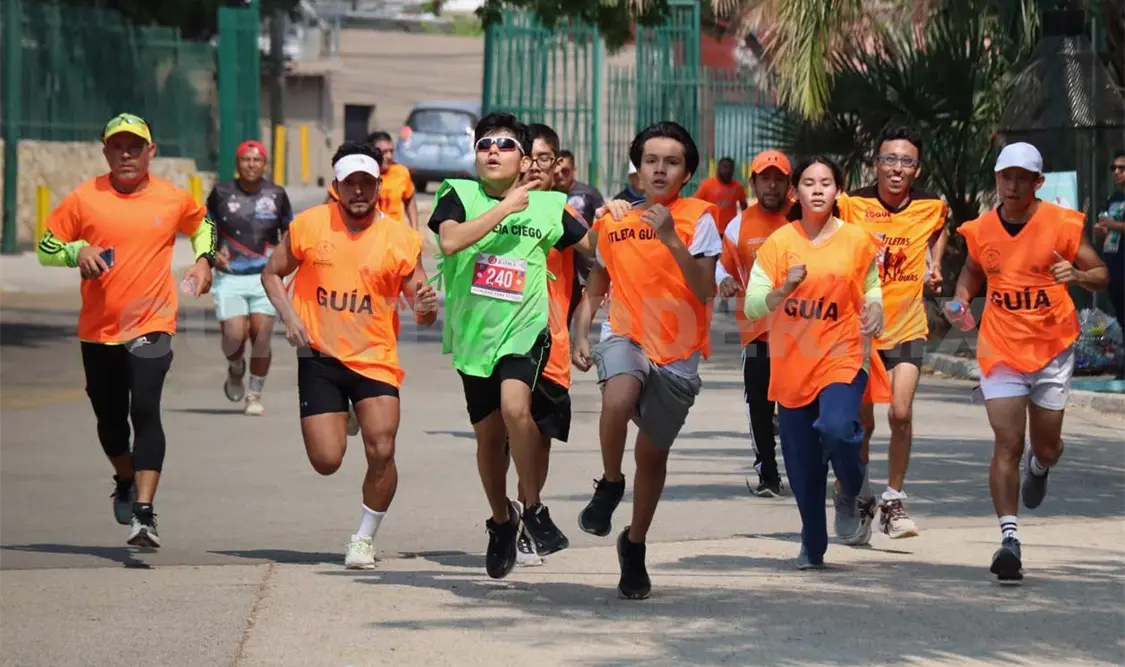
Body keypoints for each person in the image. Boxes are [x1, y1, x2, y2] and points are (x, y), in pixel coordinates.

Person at [36, 113, 217, 548]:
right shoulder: (84, 199)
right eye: (118, 145)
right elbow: (45, 246)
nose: (127, 153)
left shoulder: (172, 198)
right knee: (111, 424)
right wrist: (75, 252)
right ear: (105, 151)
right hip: (98, 332)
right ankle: (124, 477)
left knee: (147, 408)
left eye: (136, 146)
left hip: (152, 323)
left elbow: (203, 224)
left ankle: (144, 513)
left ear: (151, 152)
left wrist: (204, 259)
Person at [428, 112, 593, 580]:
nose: (493, 151)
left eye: (504, 144)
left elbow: (597, 246)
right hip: (473, 337)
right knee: (487, 439)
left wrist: (623, 218)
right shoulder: (457, 196)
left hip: (525, 330)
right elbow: (451, 242)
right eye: (485, 144)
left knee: (516, 408)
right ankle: (502, 521)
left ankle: (533, 507)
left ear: (524, 160)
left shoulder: (550, 208)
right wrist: (505, 208)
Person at [261, 142, 437, 570]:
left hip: (374, 356)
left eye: (367, 182)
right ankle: (346, 413)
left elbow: (423, 313)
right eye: (350, 183)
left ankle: (363, 537)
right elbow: (271, 273)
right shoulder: (308, 226)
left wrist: (428, 308)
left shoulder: (401, 239)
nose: (359, 191)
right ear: (337, 185)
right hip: (319, 355)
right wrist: (289, 317)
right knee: (326, 461)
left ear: (379, 185)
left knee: (382, 448)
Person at [571, 121, 721, 600]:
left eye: (671, 162)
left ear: (687, 172)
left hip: (678, 353)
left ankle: (633, 545)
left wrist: (672, 237)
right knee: (618, 397)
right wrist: (580, 327)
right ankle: (610, 483)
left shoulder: (700, 218)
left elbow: (704, 290)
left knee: (653, 455)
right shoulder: (613, 218)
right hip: (627, 333)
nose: (660, 169)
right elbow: (597, 281)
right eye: (651, 160)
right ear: (638, 169)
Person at [946, 142, 1107, 582]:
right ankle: (1009, 540)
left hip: (1053, 347)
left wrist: (1076, 275)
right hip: (1000, 348)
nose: (1012, 185)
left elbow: (1100, 274)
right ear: (996, 178)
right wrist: (961, 299)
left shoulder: (1062, 225)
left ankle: (1041, 464)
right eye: (1005, 176)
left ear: (1038, 183)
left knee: (1047, 445)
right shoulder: (981, 228)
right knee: (1006, 444)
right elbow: (974, 270)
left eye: (1022, 178)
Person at [743, 155, 890, 570]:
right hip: (791, 363)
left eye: (827, 182)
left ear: (839, 190)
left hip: (844, 352)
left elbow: (871, 285)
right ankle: (812, 540)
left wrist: (875, 309)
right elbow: (754, 305)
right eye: (809, 182)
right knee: (803, 466)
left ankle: (849, 484)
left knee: (839, 429)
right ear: (796, 192)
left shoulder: (858, 240)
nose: (819, 189)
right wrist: (783, 289)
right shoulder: (779, 244)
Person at [837, 124, 949, 540]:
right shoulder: (851, 205)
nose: (897, 169)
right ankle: (856, 496)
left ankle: (894, 500)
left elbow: (940, 229)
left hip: (907, 326)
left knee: (900, 413)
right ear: (876, 163)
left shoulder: (930, 207)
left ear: (917, 169)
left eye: (906, 161)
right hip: (862, 332)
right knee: (860, 427)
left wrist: (934, 265)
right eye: (889, 159)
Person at [509, 122, 589, 567]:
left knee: (539, 440)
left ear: (558, 164)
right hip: (505, 341)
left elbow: (599, 262)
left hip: (552, 346)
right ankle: (506, 520)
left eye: (545, 159)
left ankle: (525, 520)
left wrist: (580, 331)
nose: (536, 167)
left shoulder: (561, 212)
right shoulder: (498, 207)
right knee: (506, 434)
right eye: (530, 158)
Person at [715, 149, 792, 498]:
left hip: (801, 333)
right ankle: (769, 476)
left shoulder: (802, 218)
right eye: (765, 178)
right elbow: (721, 264)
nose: (772, 185)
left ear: (789, 184)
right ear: (755, 183)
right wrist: (723, 281)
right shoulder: (738, 225)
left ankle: (804, 467)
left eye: (778, 178)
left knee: (797, 406)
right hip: (757, 331)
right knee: (759, 405)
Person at [207, 139, 294, 416]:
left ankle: (254, 394)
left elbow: (289, 233)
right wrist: (211, 254)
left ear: (265, 164)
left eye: (257, 160)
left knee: (261, 335)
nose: (251, 165)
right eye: (246, 159)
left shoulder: (276, 194)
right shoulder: (221, 193)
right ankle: (235, 367)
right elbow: (206, 227)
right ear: (237, 164)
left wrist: (285, 261)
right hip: (229, 275)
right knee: (234, 336)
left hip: (264, 277)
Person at [324, 131, 418, 229]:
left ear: (379, 184)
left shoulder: (401, 172)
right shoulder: (352, 175)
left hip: (394, 235)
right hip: (367, 233)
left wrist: (415, 228)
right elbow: (327, 209)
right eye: (384, 152)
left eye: (391, 151)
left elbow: (410, 199)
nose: (389, 156)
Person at [1092, 149, 1125, 377]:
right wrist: (1103, 230)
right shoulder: (1114, 198)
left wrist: (1115, 226)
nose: (1117, 172)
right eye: (1113, 168)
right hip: (1114, 264)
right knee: (1121, 315)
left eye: (1122, 168)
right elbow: (1111, 231)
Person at [694, 157, 748, 235]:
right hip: (711, 230)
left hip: (730, 230)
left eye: (730, 168)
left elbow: (744, 206)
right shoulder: (707, 185)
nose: (727, 171)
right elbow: (695, 203)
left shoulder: (738, 187)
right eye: (724, 167)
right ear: (718, 169)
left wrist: (744, 223)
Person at [554, 149, 606, 225]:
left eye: (565, 171)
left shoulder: (589, 193)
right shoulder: (548, 193)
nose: (560, 175)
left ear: (573, 170)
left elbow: (602, 219)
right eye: (556, 172)